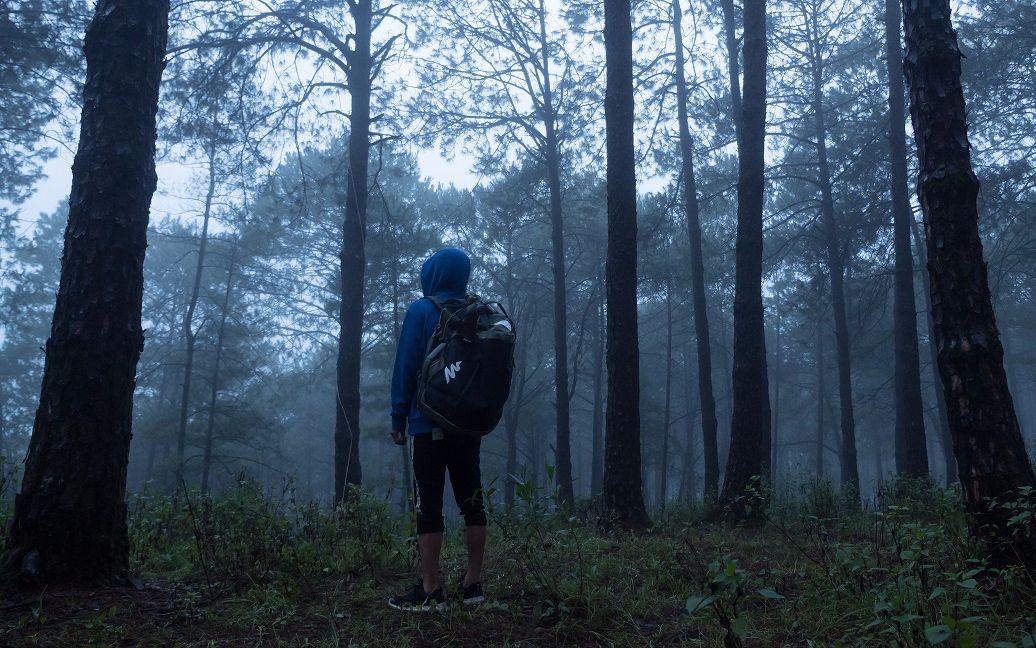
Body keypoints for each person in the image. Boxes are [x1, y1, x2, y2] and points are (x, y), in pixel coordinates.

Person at [388, 247, 487, 612]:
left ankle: (431, 590)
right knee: (472, 502)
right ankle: (474, 585)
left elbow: (406, 366)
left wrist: (399, 417)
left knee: (428, 505)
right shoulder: (476, 312)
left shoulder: (422, 310)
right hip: (468, 424)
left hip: (427, 422)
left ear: (433, 273)